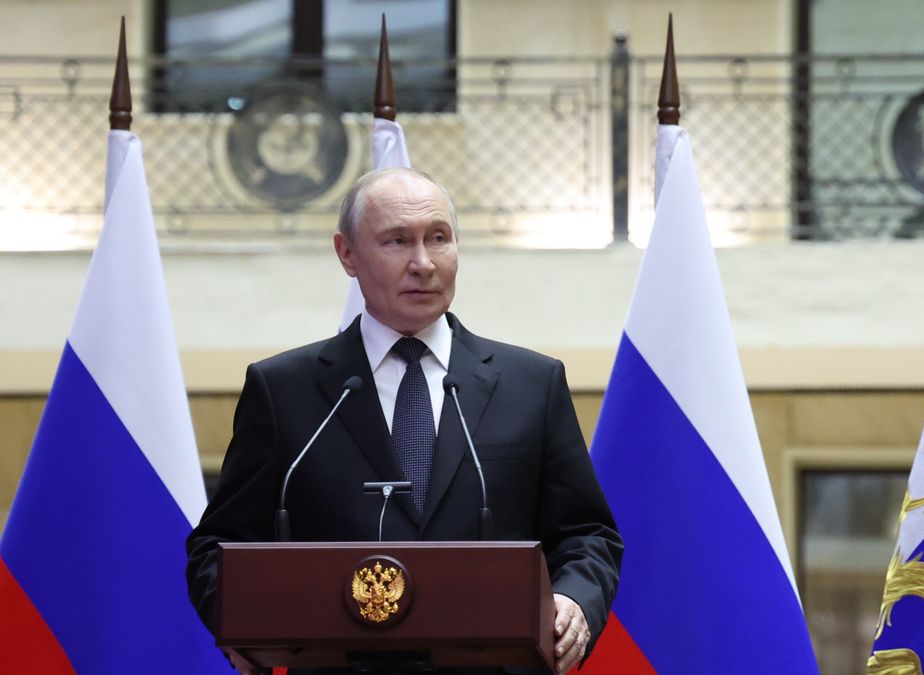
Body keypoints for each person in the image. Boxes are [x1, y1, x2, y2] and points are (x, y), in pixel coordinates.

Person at [185, 167, 622, 674]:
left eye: (438, 239)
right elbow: (218, 547)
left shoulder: (532, 384)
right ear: (346, 254)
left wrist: (575, 602)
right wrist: (244, 623)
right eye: (397, 241)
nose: (423, 263)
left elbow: (588, 533)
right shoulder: (285, 390)